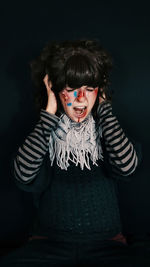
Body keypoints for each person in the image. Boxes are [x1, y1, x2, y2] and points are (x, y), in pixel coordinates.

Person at [1, 39, 142, 266]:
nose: (81, 99)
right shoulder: (44, 137)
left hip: (107, 245)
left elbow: (127, 166)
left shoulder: (108, 133)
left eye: (89, 88)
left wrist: (105, 109)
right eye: (72, 89)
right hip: (48, 245)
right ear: (56, 91)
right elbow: (23, 174)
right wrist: (49, 114)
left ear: (100, 90)